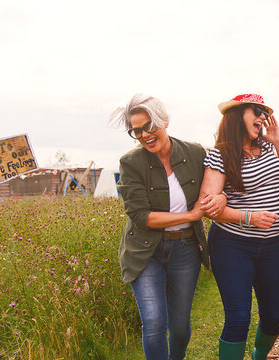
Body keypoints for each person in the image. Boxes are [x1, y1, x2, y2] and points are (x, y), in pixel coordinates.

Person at [111, 94, 225, 360]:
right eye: (136, 131)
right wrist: (191, 213)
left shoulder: (195, 153)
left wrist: (221, 198)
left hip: (185, 249)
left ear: (164, 121)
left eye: (148, 126)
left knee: (181, 327)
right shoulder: (131, 163)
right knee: (153, 323)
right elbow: (141, 216)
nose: (144, 135)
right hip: (144, 251)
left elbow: (221, 183)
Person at [198, 94, 279, 360]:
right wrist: (248, 217)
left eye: (264, 111)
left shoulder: (268, 147)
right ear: (237, 114)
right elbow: (208, 207)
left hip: (273, 244)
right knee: (239, 318)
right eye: (257, 110)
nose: (263, 116)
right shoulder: (219, 154)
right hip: (232, 244)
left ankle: (258, 355)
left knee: (275, 318)